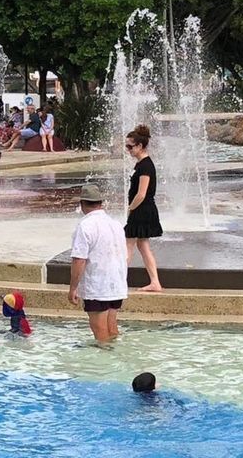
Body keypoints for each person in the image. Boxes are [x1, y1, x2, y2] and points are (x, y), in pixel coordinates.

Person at [68, 183, 128, 343]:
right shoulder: (116, 224)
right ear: (100, 203)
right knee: (112, 327)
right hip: (116, 283)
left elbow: (79, 259)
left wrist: (73, 287)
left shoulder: (85, 225)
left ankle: (105, 363)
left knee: (99, 330)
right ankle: (115, 355)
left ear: (82, 204)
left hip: (97, 285)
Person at [125, 124, 164, 293]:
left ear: (140, 146)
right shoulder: (142, 164)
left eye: (130, 146)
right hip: (144, 209)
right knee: (143, 246)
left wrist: (130, 208)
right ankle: (155, 281)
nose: (128, 150)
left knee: (127, 246)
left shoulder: (145, 166)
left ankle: (117, 281)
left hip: (141, 209)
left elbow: (141, 194)